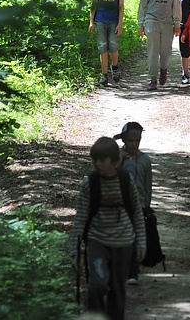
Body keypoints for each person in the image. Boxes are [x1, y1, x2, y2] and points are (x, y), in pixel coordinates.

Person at [70, 137, 147, 320]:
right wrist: (74, 250)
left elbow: (137, 212)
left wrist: (141, 242)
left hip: (124, 242)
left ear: (114, 161)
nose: (97, 164)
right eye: (95, 159)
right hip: (97, 240)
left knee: (117, 288)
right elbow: (80, 217)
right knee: (97, 283)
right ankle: (95, 316)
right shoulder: (89, 183)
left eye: (102, 160)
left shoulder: (126, 181)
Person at [115, 122, 152, 285]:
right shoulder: (118, 157)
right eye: (130, 140)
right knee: (124, 238)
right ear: (124, 140)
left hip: (140, 206)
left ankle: (133, 270)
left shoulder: (145, 160)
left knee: (137, 238)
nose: (134, 144)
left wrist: (147, 206)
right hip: (121, 205)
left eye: (137, 140)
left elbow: (147, 185)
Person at [137, 0, 182, 91]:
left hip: (167, 22)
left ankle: (163, 69)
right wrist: (140, 24)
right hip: (152, 20)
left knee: (166, 51)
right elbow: (142, 5)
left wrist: (177, 23)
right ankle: (153, 79)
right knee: (152, 51)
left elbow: (176, 5)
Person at [89, 0, 126, 86]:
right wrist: (91, 22)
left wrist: (120, 24)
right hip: (100, 20)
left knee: (113, 47)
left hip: (113, 20)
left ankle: (114, 67)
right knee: (102, 48)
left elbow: (121, 5)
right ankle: (104, 75)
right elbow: (94, 2)